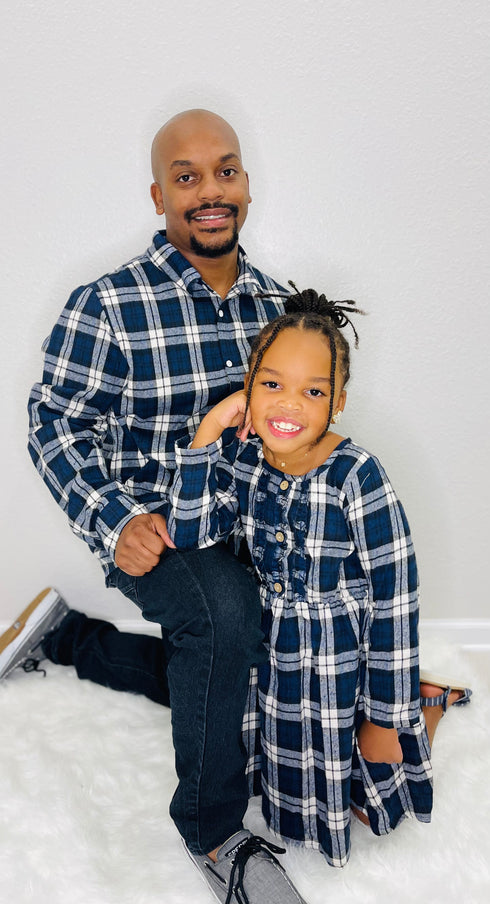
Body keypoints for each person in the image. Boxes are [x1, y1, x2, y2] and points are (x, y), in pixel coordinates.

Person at [1, 109, 309, 904]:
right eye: (187, 176)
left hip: (254, 525)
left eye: (226, 171)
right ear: (159, 194)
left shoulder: (277, 306)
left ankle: (72, 641)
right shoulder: (107, 304)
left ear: (245, 184)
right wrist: (116, 521)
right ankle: (215, 833)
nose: (210, 191)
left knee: (248, 677)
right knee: (225, 616)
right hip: (162, 530)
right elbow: (52, 422)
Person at [167, 286, 472, 867]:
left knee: (365, 802)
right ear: (249, 387)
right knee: (283, 785)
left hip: (342, 670)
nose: (289, 406)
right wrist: (209, 431)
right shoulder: (242, 459)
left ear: (338, 402)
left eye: (313, 392)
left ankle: (421, 707)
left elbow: (395, 601)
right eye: (272, 385)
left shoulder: (359, 476)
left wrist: (383, 718)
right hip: (275, 661)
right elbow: (189, 534)